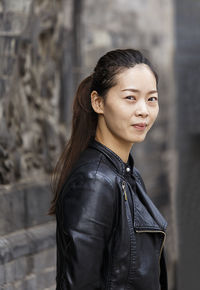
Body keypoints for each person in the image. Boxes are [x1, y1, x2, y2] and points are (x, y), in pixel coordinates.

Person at [49, 48, 168, 290]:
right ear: (98, 102)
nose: (144, 110)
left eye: (151, 98)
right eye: (130, 98)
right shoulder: (94, 181)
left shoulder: (127, 175)